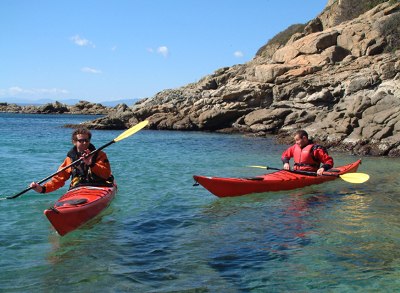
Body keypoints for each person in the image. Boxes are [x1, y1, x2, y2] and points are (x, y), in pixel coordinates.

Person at [30, 127, 113, 193]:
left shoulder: (99, 154)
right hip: (78, 189)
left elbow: (106, 174)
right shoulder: (70, 158)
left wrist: (91, 164)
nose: (84, 143)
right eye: (81, 141)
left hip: (99, 186)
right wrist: (42, 189)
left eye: (86, 140)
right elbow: (59, 179)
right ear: (74, 142)